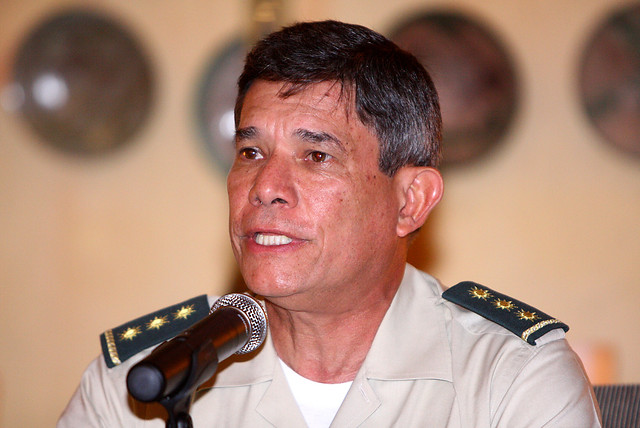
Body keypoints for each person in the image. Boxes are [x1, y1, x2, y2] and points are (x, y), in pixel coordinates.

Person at [58, 20, 601, 427]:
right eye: (250, 152)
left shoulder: (512, 380)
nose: (264, 186)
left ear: (410, 201)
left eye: (316, 156)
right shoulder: (143, 384)